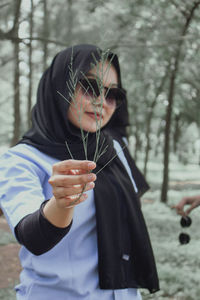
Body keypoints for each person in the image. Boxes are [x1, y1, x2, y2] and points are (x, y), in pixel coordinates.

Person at [0, 44, 159, 299]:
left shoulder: (113, 148)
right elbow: (33, 236)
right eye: (90, 87)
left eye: (112, 94)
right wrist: (61, 203)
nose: (101, 102)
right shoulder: (22, 159)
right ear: (60, 86)